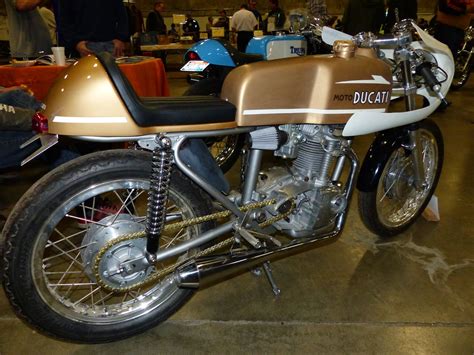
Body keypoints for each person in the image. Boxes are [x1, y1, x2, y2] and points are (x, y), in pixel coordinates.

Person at [58, 0, 129, 58]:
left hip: (110, 45)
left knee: (112, 74)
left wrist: (120, 38)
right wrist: (75, 43)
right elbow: (64, 22)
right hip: (83, 47)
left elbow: (122, 16)